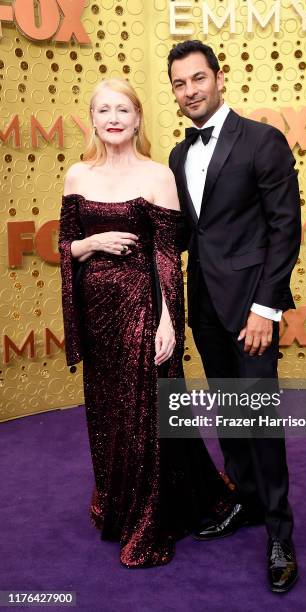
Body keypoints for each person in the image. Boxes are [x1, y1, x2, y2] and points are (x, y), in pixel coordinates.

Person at [58, 78, 230, 568]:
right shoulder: (76, 175)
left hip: (140, 310)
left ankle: (146, 520)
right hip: (96, 317)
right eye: (103, 109)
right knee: (108, 412)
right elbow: (64, 245)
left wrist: (167, 320)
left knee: (145, 416)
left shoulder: (157, 176)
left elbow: (166, 257)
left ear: (137, 118)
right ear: (92, 119)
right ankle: (116, 502)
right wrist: (91, 244)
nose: (113, 118)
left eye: (122, 110)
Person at [167, 41, 302, 592]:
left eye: (198, 78)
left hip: (252, 309)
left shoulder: (262, 140)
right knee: (228, 414)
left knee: (261, 423)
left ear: (220, 79)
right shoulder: (178, 156)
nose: (190, 90)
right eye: (179, 83)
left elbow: (284, 228)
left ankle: (280, 534)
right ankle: (244, 502)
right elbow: (185, 234)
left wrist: (265, 308)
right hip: (204, 307)